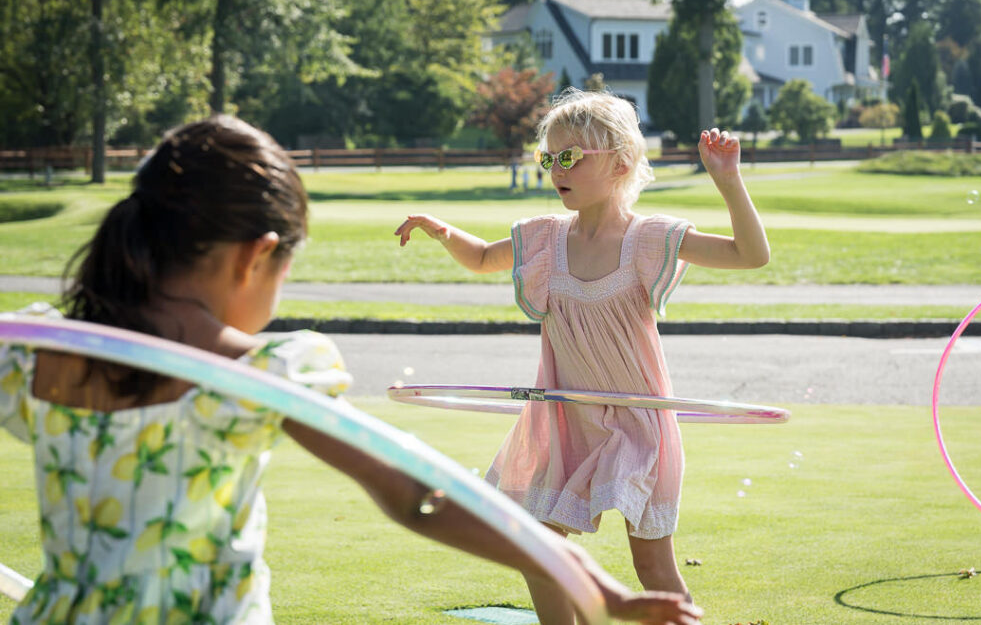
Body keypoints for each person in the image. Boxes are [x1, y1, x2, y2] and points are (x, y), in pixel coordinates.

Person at [0, 115, 704, 625]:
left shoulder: (37, 351)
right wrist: (592, 584)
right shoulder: (265, 370)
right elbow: (413, 493)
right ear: (257, 256)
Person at [395, 89, 770, 624]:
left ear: (620, 161)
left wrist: (728, 180)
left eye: (569, 157)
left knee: (652, 565)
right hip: (565, 418)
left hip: (637, 423)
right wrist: (442, 230)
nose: (555, 169)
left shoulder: (648, 239)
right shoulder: (544, 238)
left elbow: (749, 255)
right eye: (548, 157)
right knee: (538, 548)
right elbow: (480, 258)